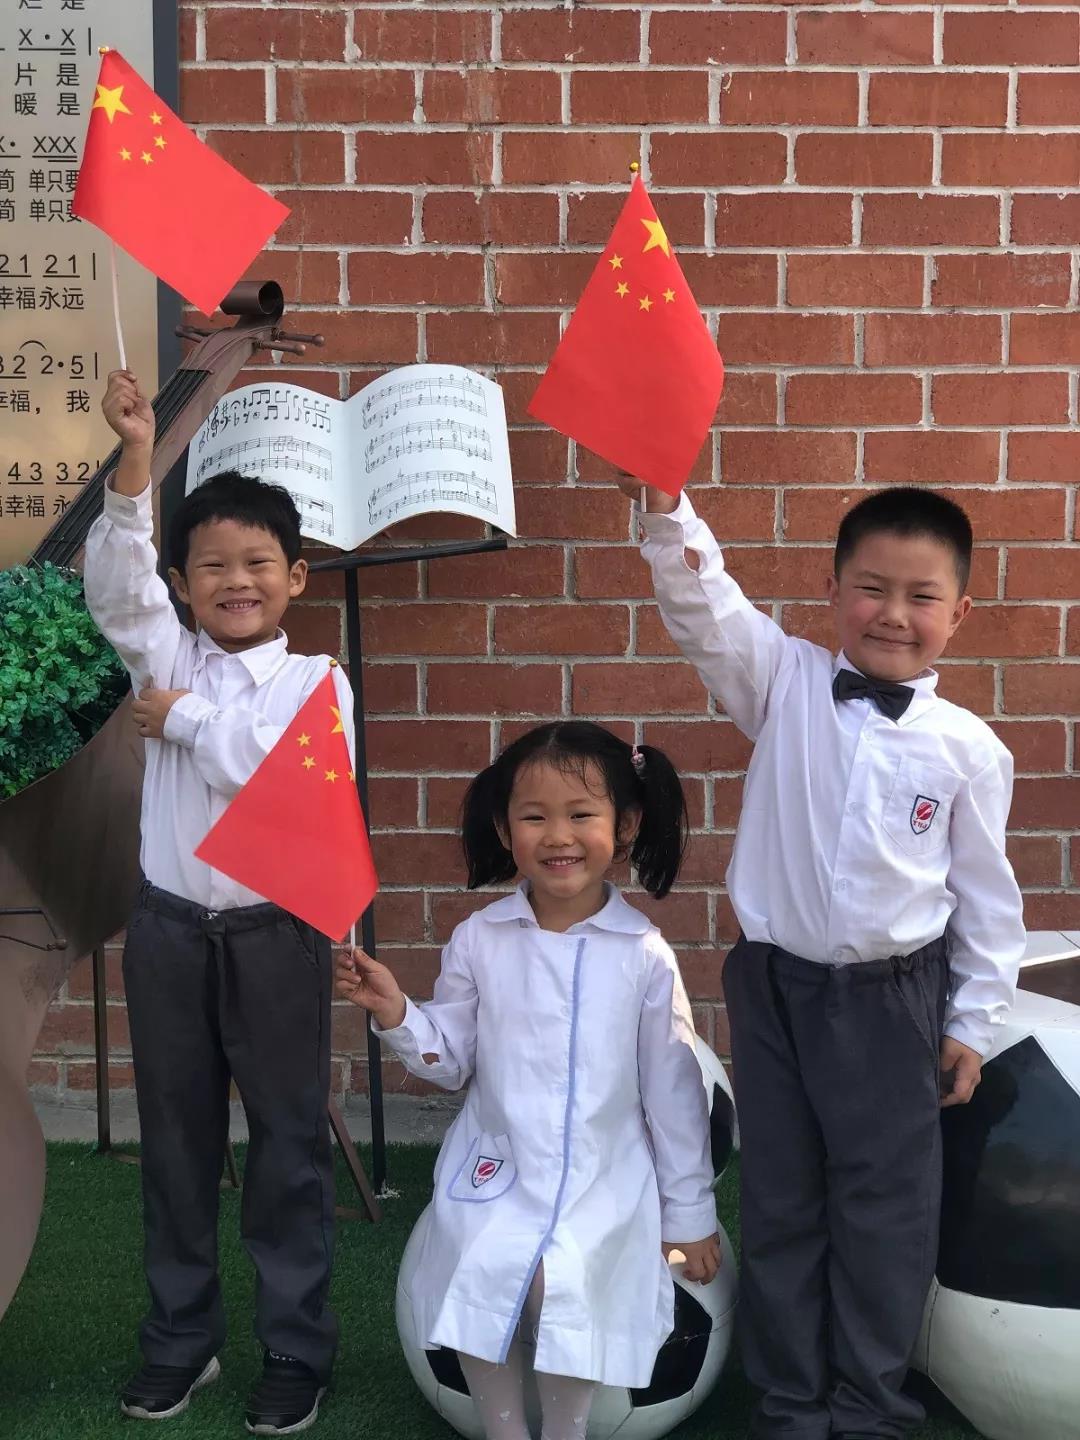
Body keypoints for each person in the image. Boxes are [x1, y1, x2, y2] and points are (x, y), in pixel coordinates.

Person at [620, 475, 1026, 1440]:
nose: (893, 615)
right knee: (783, 1196)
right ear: (834, 589)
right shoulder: (784, 681)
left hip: (894, 1002)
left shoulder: (970, 750)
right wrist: (667, 509)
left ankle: (870, 1406)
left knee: (885, 1212)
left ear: (960, 613)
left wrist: (972, 1024)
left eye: (922, 596)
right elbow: (705, 605)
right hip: (774, 988)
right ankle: (791, 1403)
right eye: (871, 588)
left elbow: (987, 901)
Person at [84, 369, 354, 1435]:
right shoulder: (165, 654)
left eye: (257, 564)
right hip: (168, 933)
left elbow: (276, 770)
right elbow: (118, 590)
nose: (235, 582)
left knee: (287, 1147)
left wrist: (186, 722)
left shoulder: (317, 682)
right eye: (211, 567)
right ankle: (179, 1341)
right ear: (185, 583)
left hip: (276, 937)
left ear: (295, 576)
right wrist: (135, 461)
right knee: (176, 1142)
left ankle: (295, 1349)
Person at [335, 721, 720, 1440]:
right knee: (486, 1266)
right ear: (504, 829)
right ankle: (505, 1429)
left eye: (581, 815)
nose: (558, 836)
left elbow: (674, 1096)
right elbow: (450, 1059)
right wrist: (396, 1012)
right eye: (535, 817)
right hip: (498, 1167)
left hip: (604, 1176)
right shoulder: (481, 939)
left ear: (625, 825)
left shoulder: (643, 953)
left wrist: (689, 1216)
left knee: (565, 1285)